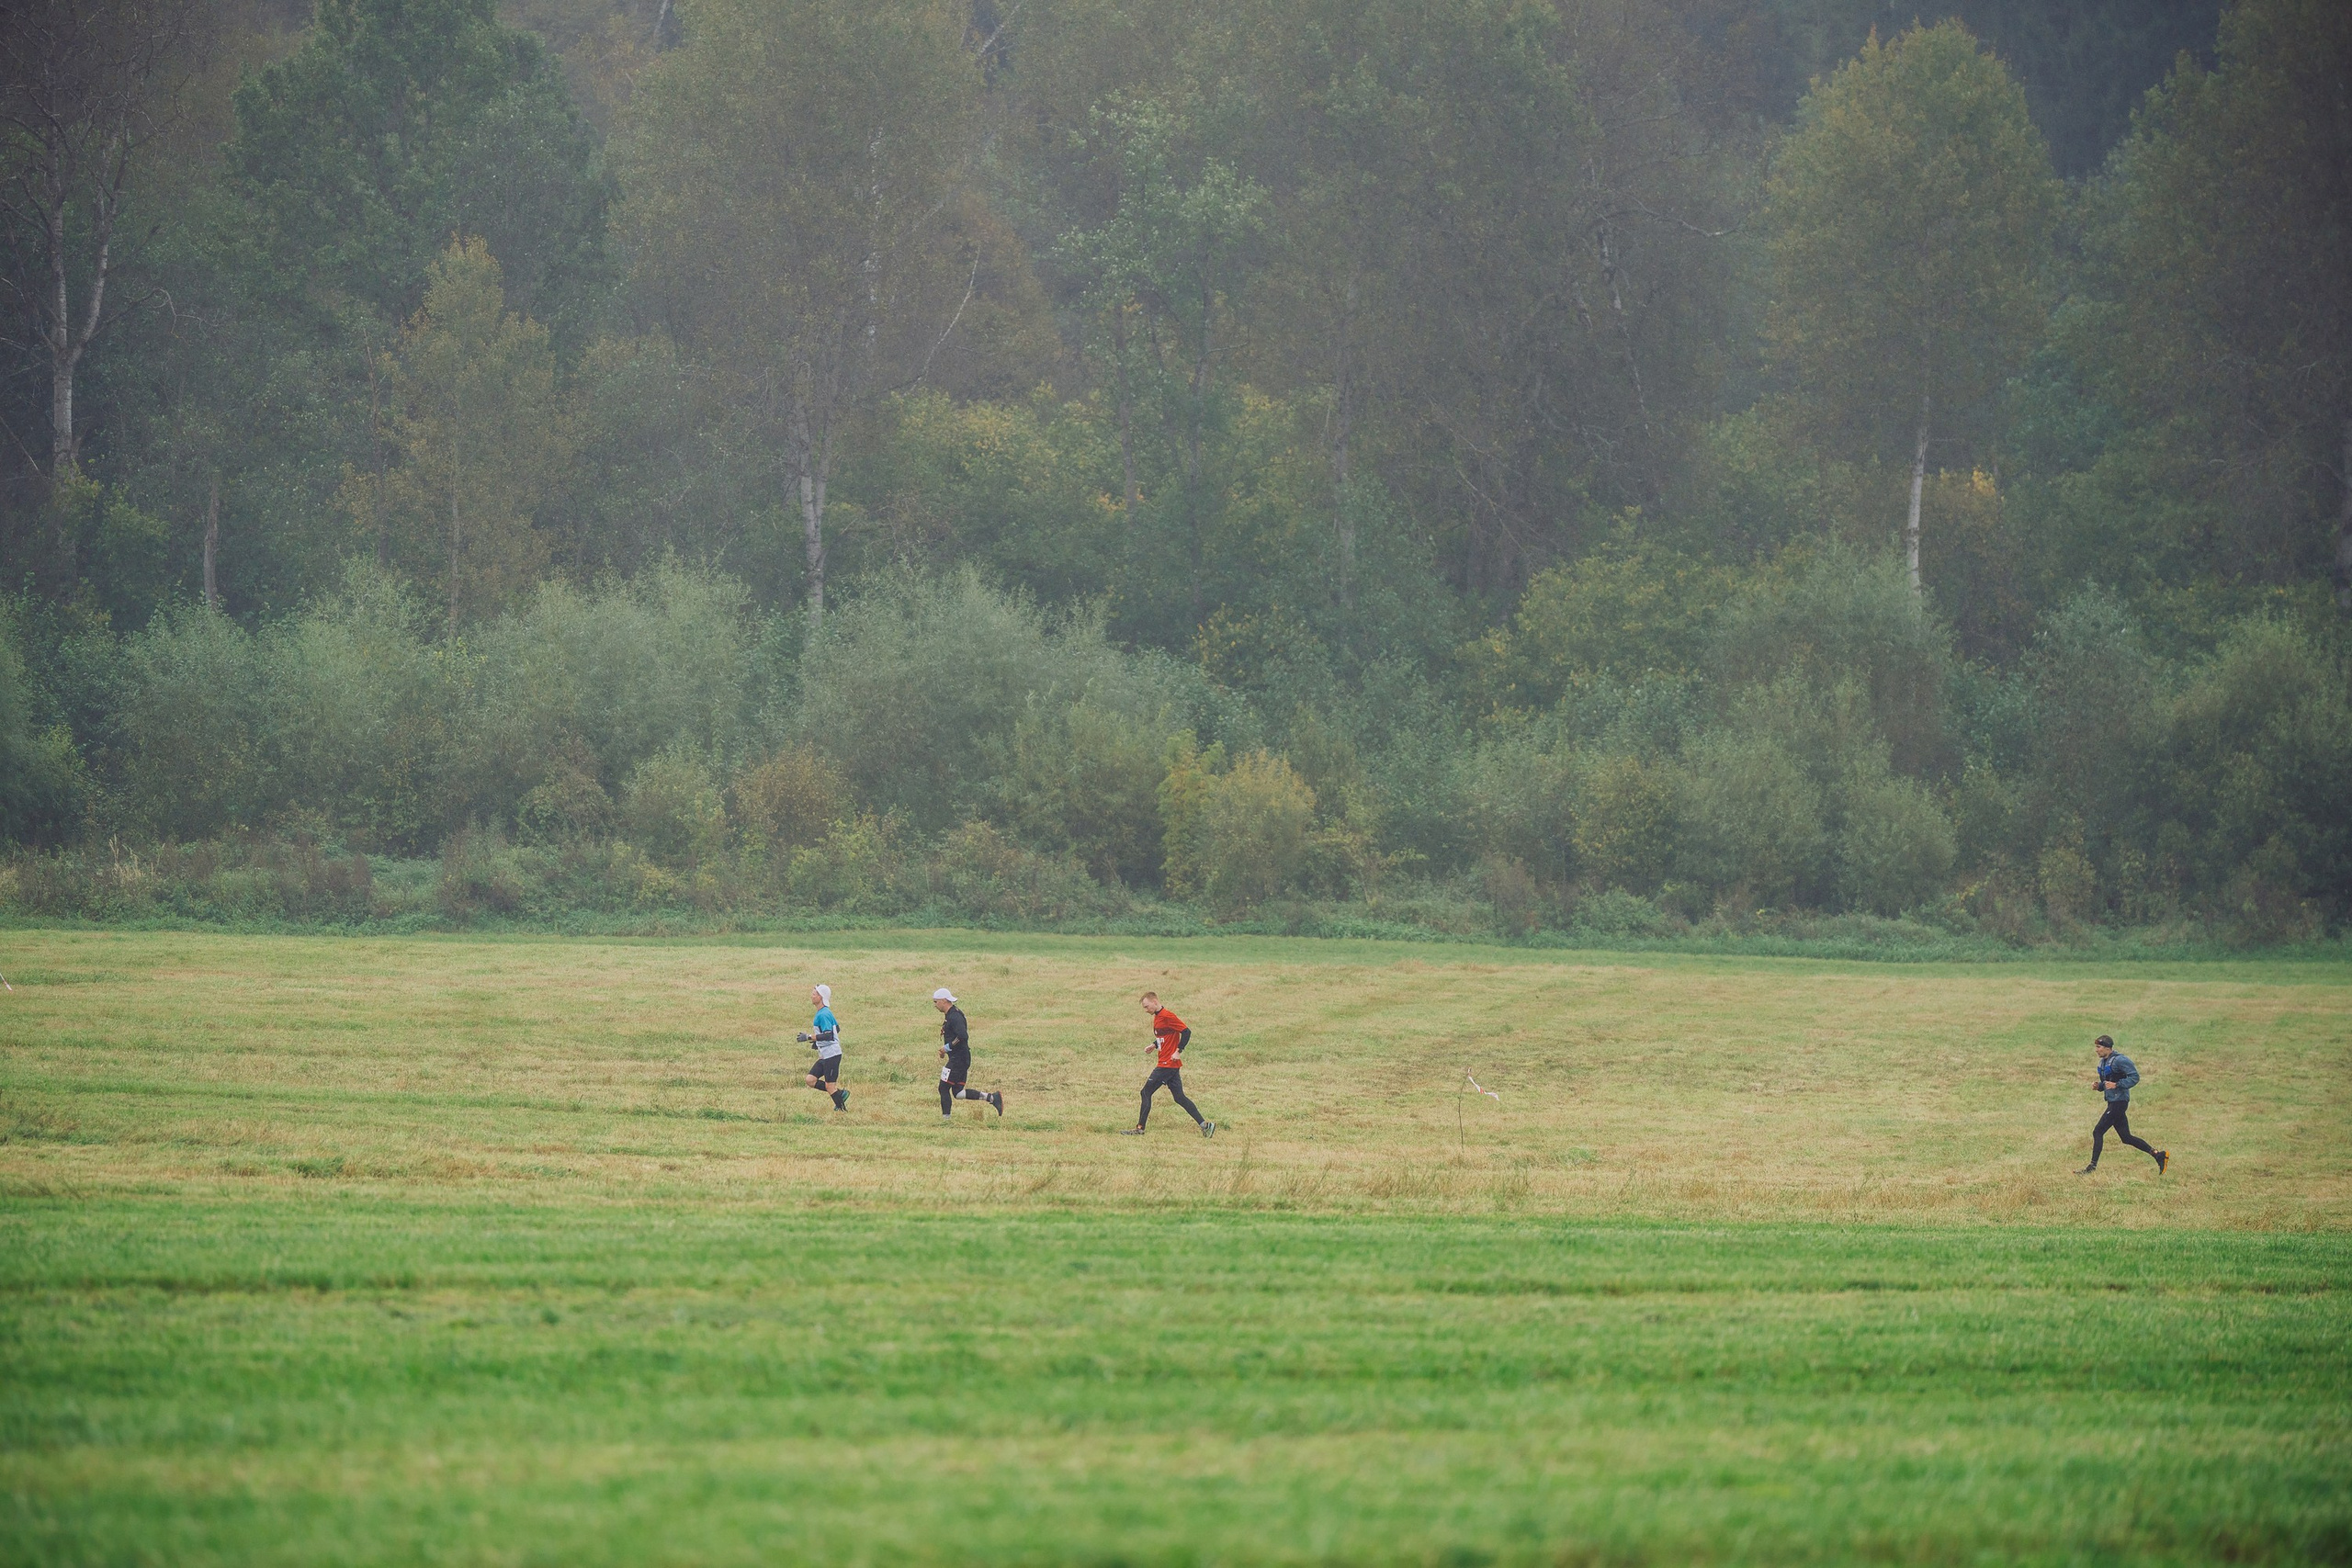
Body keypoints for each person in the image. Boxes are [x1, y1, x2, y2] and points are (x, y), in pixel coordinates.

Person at [1121, 989, 1213, 1138]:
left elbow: (1186, 1032)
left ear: (1155, 1002)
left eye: (1146, 1006)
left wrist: (1178, 1051)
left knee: (1145, 1092)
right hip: (1169, 1065)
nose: (1145, 1010)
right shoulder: (1157, 1017)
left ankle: (1140, 1129)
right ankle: (1206, 1126)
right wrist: (1154, 1045)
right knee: (1179, 1098)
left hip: (1167, 1064)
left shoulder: (1168, 1016)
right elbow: (1166, 1036)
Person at [2078, 1033, 2167, 1175]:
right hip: (2113, 1103)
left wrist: (2118, 1084)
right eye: (2096, 1047)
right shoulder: (2103, 1062)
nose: (2096, 1050)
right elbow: (2109, 1082)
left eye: (2099, 1047)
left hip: (2119, 1103)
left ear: (2108, 1048)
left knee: (2098, 1131)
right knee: (2126, 1137)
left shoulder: (2120, 1060)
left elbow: (2134, 1077)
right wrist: (2099, 1086)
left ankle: (2092, 1168)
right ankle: (2158, 1155)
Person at [933, 987, 1003, 1120]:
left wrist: (946, 1048)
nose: (935, 1005)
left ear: (943, 1001)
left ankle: (945, 1121)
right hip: (960, 1058)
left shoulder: (954, 1016)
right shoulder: (951, 1014)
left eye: (936, 1002)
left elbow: (962, 1036)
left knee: (943, 1088)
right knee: (958, 1093)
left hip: (958, 1059)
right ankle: (993, 1098)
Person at [794, 983, 847, 1111]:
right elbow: (836, 1029)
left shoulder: (823, 1014)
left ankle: (842, 1111)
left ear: (821, 997)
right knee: (810, 1080)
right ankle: (839, 1094)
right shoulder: (824, 1012)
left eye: (814, 994)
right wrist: (819, 1043)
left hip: (832, 1055)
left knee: (830, 1086)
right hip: (825, 1055)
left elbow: (829, 1035)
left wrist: (809, 1037)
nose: (812, 996)